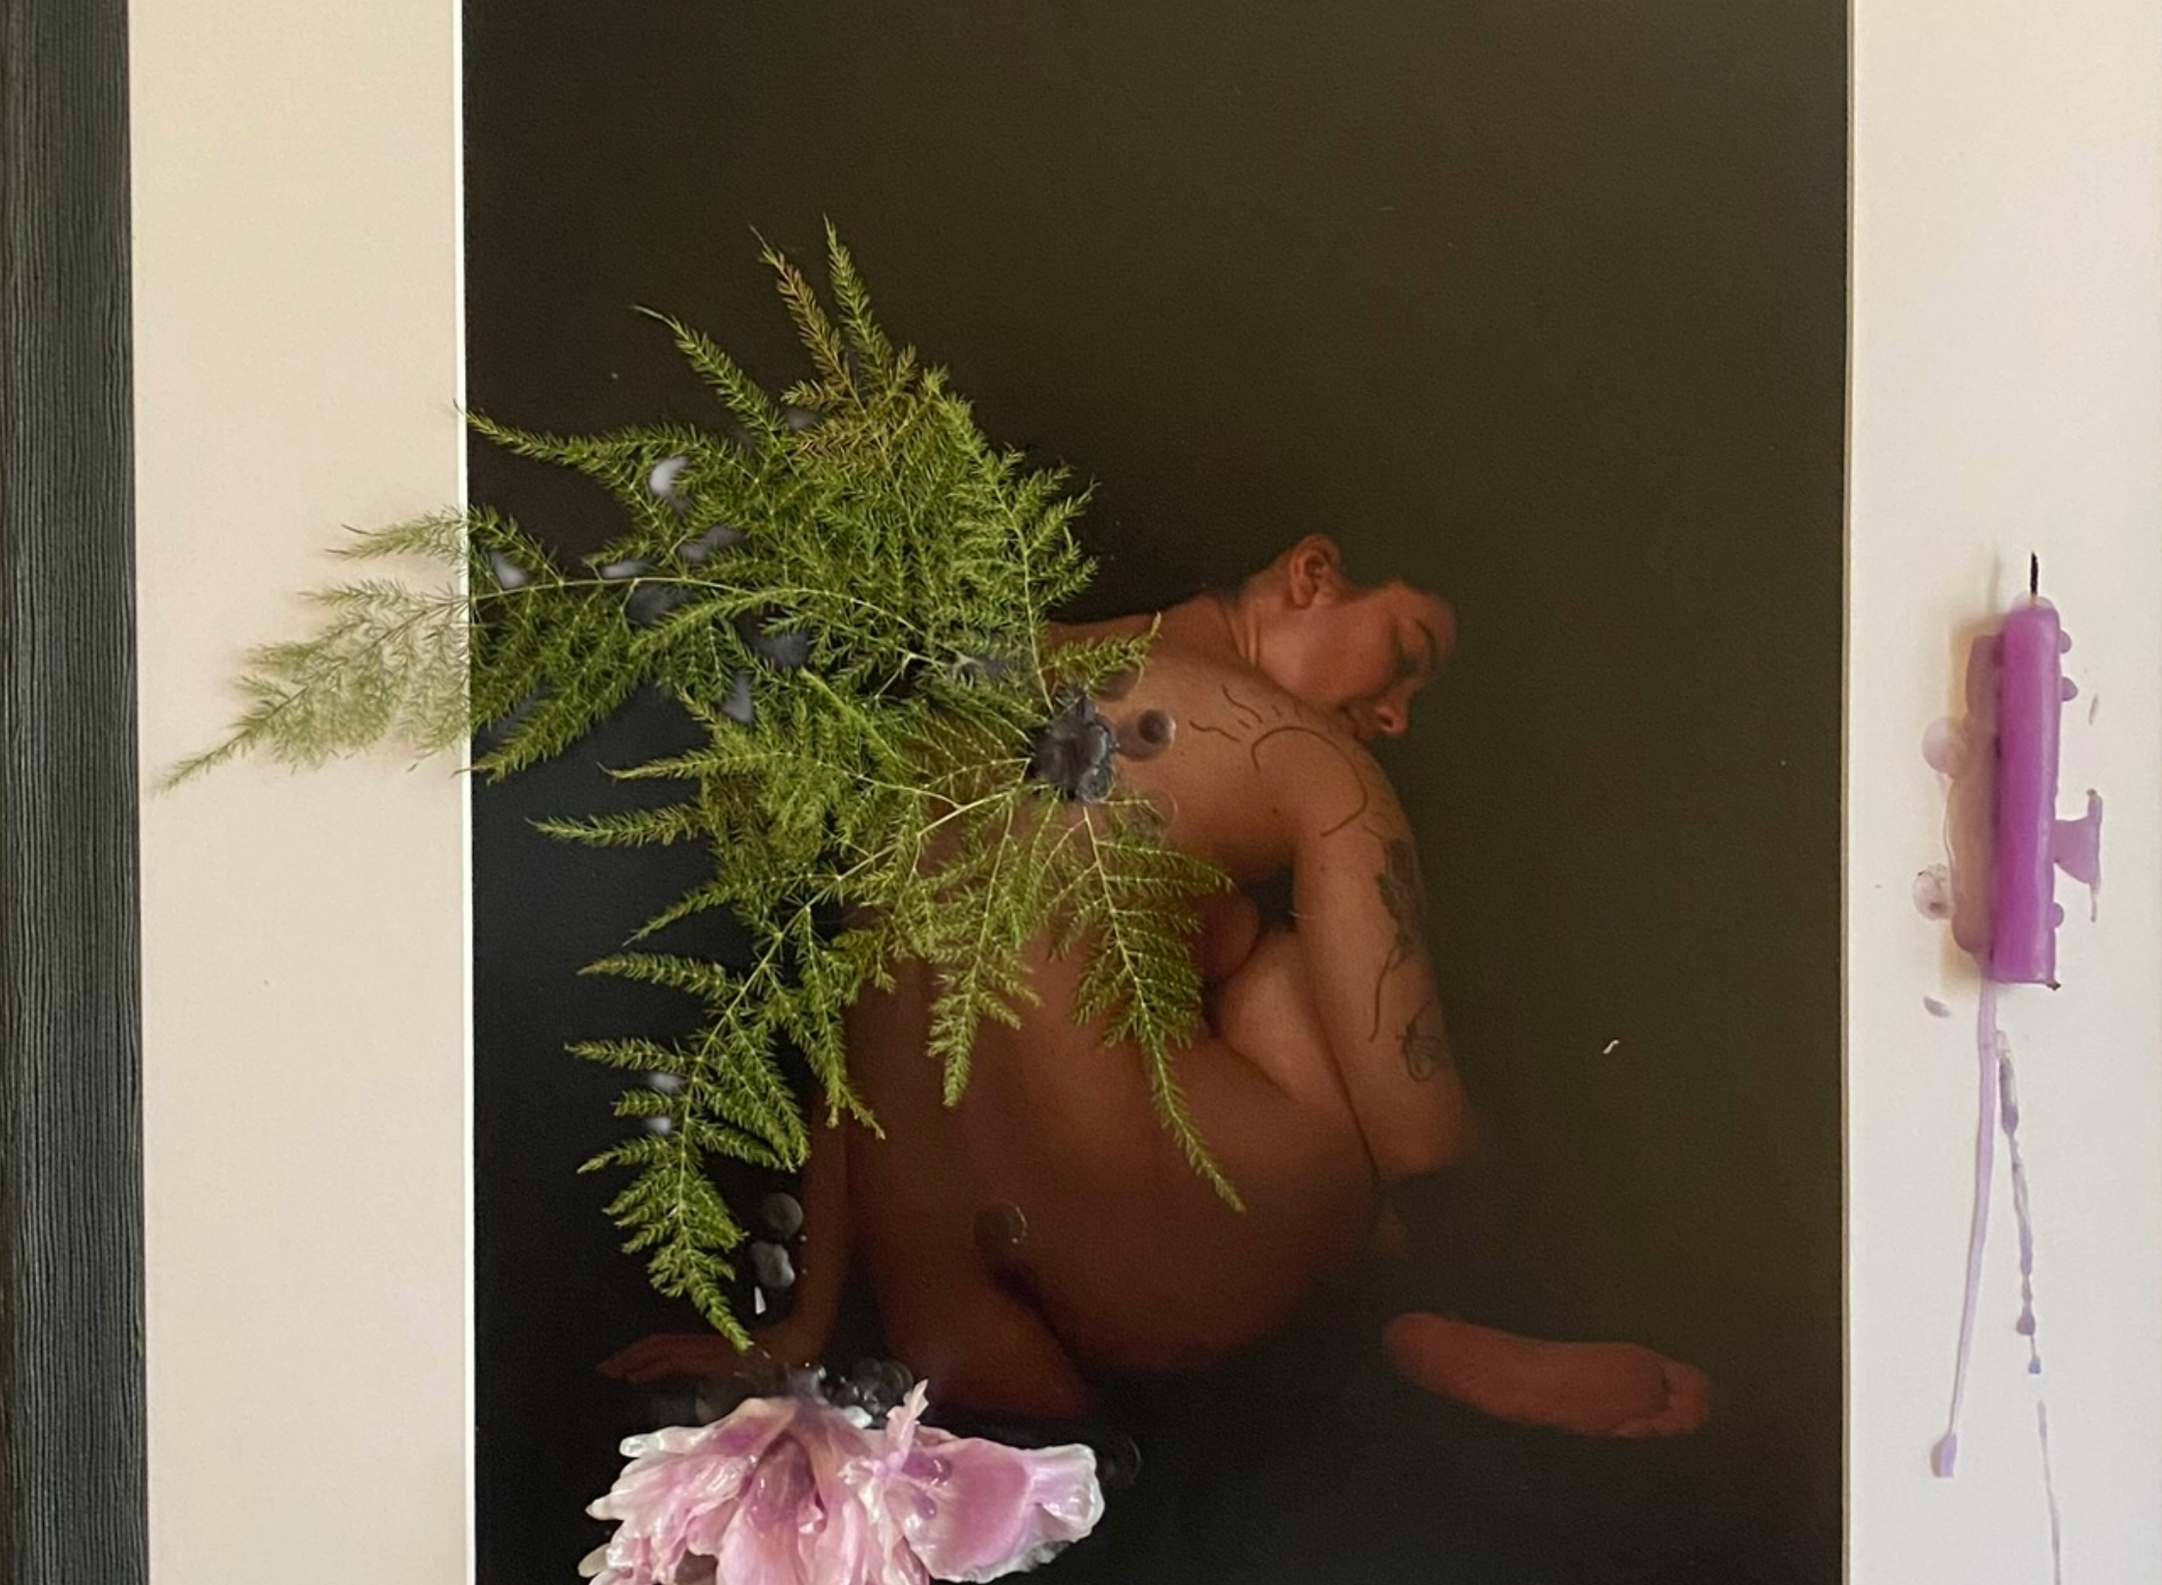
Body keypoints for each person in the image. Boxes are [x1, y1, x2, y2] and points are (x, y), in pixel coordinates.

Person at [605, 536, 1710, 1441]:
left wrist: (803, 1322)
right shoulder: (1298, 753)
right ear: (1312, 574)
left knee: (1114, 959)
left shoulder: (945, 716)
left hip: (963, 1326)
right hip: (1197, 1268)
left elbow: (862, 1034)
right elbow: (1418, 1135)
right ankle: (1416, 1315)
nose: (1397, 714)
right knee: (1275, 964)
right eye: (1406, 654)